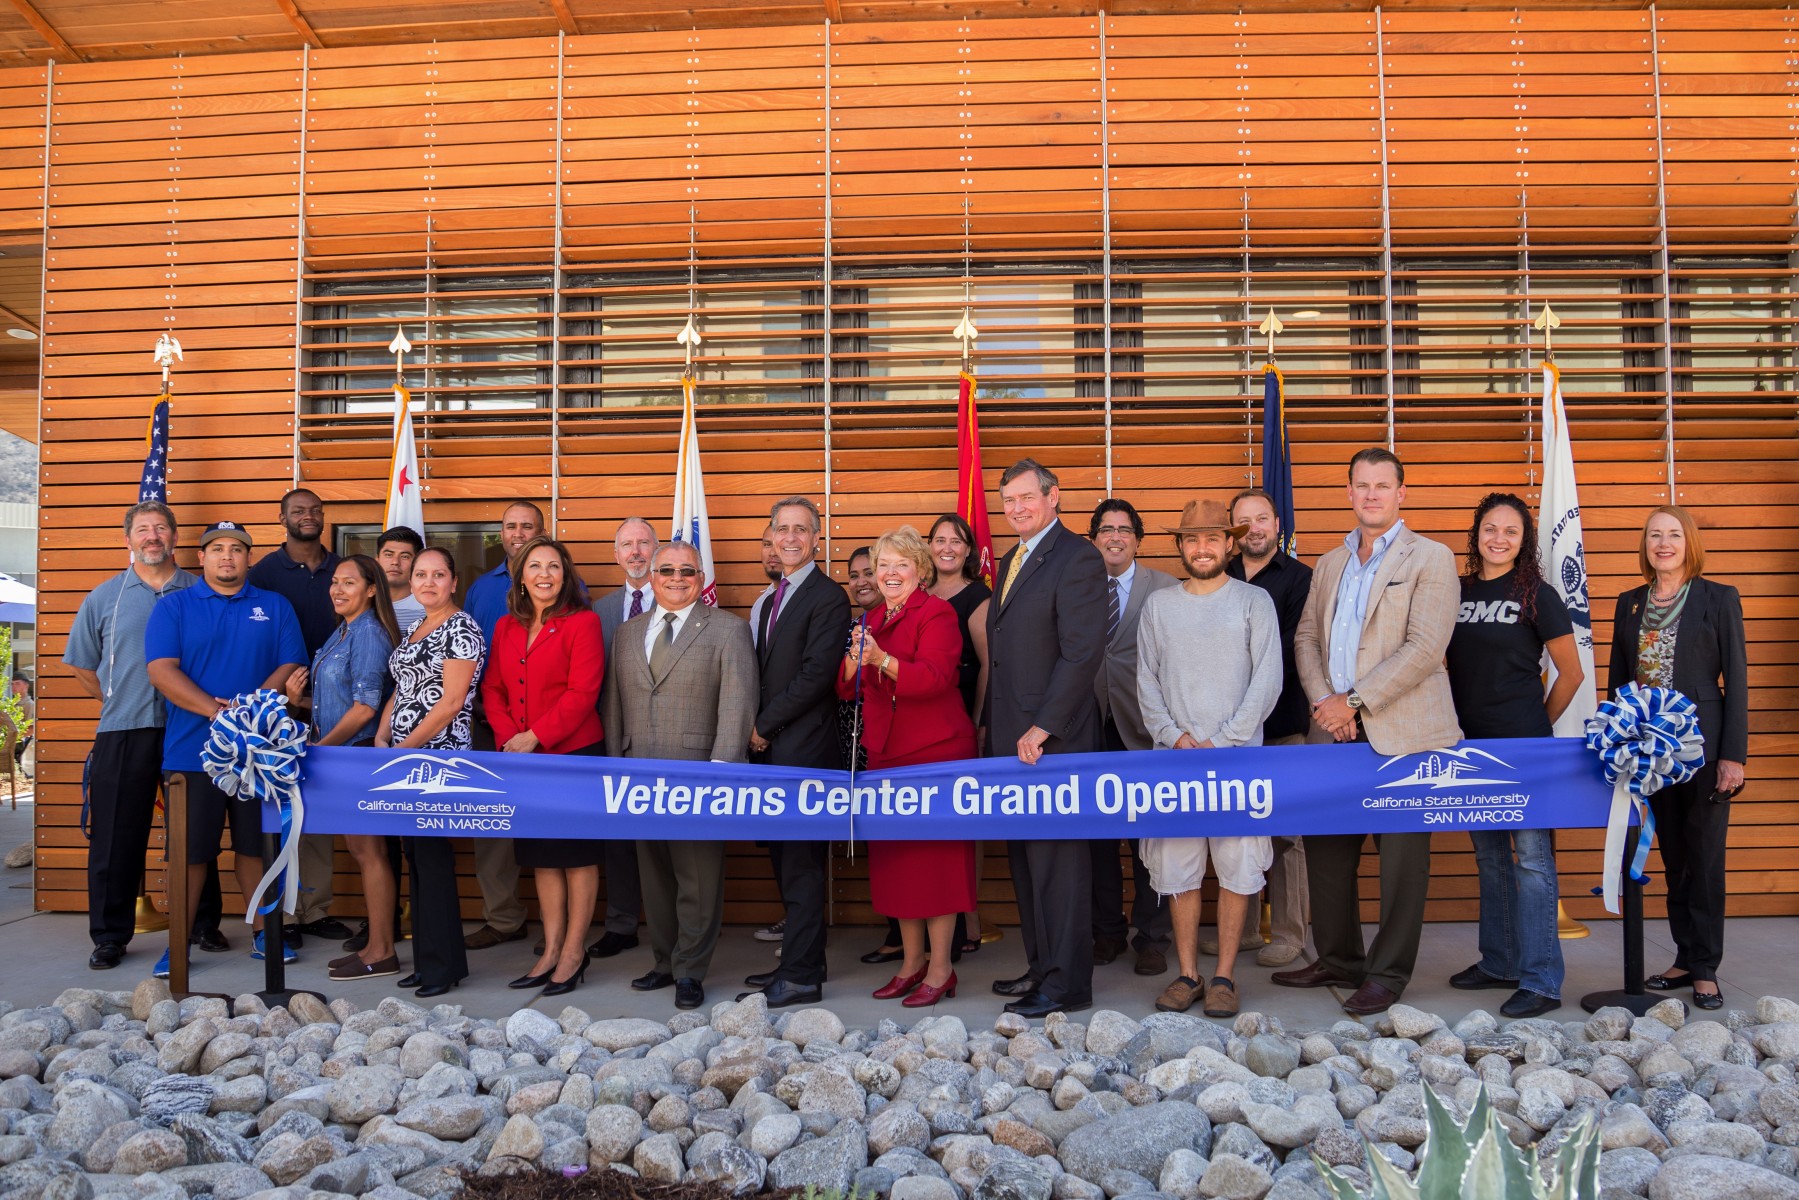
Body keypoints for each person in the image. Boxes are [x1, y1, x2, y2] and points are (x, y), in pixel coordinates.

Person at [1279, 447, 1461, 1016]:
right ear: (1350, 492)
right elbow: (1306, 637)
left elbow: (1426, 648)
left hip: (1401, 733)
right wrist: (1324, 704)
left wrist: (1353, 701)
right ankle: (1338, 958)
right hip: (1331, 731)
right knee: (1327, 853)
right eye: (1362, 485)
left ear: (1401, 493)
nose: (1372, 494)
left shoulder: (1430, 557)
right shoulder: (1332, 563)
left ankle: (1387, 974)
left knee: (1402, 860)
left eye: (1383, 485)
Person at [1136, 499, 1283, 1017]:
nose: (1203, 549)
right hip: (1175, 762)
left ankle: (1223, 975)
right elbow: (1146, 681)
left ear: (1230, 543)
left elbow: (1267, 680)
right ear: (1180, 546)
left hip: (1237, 761)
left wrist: (1224, 740)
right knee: (1179, 867)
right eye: (1192, 540)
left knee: (1238, 864)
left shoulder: (1253, 602)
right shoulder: (1159, 607)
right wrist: (1174, 736)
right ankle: (1187, 974)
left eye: (1213, 539)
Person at [144, 520, 307, 977]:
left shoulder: (274, 606)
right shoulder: (174, 607)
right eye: (217, 549)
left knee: (256, 848)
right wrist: (217, 713)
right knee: (191, 853)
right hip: (192, 753)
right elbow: (161, 670)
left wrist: (250, 708)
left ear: (248, 559)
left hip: (261, 753)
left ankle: (263, 933)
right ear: (202, 558)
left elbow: (290, 663)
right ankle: (179, 942)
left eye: (237, 549)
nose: (227, 557)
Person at [1444, 493, 1584, 1018]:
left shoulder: (1538, 594)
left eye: (1511, 531)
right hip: (1469, 746)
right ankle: (1499, 961)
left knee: (1533, 863)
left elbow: (1571, 674)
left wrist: (1535, 730)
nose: (1498, 538)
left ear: (1523, 542)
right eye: (1490, 528)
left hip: (1524, 749)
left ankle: (1542, 980)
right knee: (1488, 857)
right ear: (1476, 532)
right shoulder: (1456, 591)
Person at [604, 541, 757, 1011]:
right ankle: (664, 962)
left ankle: (690, 970)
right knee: (655, 876)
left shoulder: (728, 630)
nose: (675, 577)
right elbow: (615, 706)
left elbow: (737, 705)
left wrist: (723, 773)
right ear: (651, 577)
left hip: (699, 776)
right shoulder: (628, 633)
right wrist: (615, 766)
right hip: (639, 773)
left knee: (697, 879)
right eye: (665, 570)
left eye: (686, 571)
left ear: (700, 576)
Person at [1611, 504, 1747, 1011]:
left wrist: (1733, 755)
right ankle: (1684, 957)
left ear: (1689, 542)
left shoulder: (1717, 598)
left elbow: (1736, 680)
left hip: (1704, 747)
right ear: (1644, 546)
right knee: (1669, 856)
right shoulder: (1629, 603)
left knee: (1705, 859)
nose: (1663, 544)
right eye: (1653, 536)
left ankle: (1707, 967)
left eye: (1672, 535)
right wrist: (1619, 745)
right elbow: (1619, 683)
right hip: (1649, 751)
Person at [986, 458, 1107, 1018]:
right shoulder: (1012, 559)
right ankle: (1041, 969)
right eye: (1008, 500)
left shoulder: (1079, 556)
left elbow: (1082, 653)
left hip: (1052, 741)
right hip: (1013, 740)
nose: (1016, 509)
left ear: (1053, 496)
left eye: (1026, 498)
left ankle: (1066, 985)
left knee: (1058, 866)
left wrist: (1043, 726)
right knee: (1026, 862)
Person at [839, 526, 979, 1007]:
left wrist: (883, 659)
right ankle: (911, 963)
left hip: (935, 753)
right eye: (883, 565)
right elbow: (847, 689)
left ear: (920, 571)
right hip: (886, 754)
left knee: (934, 865)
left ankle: (941, 969)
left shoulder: (936, 613)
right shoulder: (872, 618)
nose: (890, 573)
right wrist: (856, 660)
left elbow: (936, 679)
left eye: (901, 564)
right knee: (898, 864)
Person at [64, 502, 198, 971]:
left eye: (161, 528)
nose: (153, 536)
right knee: (116, 837)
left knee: (196, 830)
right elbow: (81, 663)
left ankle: (202, 925)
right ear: (129, 540)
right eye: (143, 530)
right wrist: (115, 699)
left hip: (191, 729)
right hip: (124, 730)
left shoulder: (200, 592)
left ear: (175, 537)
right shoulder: (104, 597)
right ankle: (109, 935)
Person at [740, 496, 852, 1008]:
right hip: (770, 754)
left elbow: (814, 677)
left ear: (816, 539)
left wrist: (762, 725)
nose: (790, 538)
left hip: (804, 753)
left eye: (800, 530)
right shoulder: (767, 599)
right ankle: (799, 961)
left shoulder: (829, 597)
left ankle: (803, 975)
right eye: (781, 528)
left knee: (803, 866)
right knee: (785, 865)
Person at [483, 535, 607, 996]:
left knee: (575, 856)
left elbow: (582, 694)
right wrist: (509, 738)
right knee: (541, 857)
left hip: (571, 756)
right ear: (520, 576)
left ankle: (575, 951)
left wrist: (534, 736)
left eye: (553, 567)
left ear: (566, 574)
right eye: (534, 567)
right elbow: (493, 689)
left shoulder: (584, 623)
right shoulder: (506, 627)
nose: (544, 575)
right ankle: (550, 949)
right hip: (523, 759)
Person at [280, 556, 401, 981]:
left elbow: (366, 707)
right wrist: (300, 704)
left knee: (371, 853)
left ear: (371, 589)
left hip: (355, 756)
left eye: (349, 582)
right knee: (362, 851)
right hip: (341, 752)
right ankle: (374, 946)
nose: (337, 589)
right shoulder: (343, 631)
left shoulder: (368, 633)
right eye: (335, 582)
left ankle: (383, 950)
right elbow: (339, 704)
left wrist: (321, 751)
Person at [375, 546, 483, 998]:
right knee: (415, 857)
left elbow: (451, 703)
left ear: (453, 582)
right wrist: (382, 738)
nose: (428, 582)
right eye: (421, 575)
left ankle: (443, 968)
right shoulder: (417, 626)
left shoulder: (462, 628)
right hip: (403, 757)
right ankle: (427, 961)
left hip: (439, 761)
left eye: (438, 575)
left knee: (433, 859)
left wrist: (405, 749)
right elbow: (402, 691)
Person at [248, 488, 351, 944]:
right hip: (279, 706)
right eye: (297, 511)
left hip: (335, 708)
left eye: (314, 511)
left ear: (324, 517)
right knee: (281, 810)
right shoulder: (264, 574)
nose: (307, 517)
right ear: (282, 517)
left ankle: (315, 908)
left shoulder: (343, 569)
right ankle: (282, 916)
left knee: (320, 809)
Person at [1224, 487, 1316, 968]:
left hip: (1282, 724)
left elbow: (1290, 646)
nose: (1254, 528)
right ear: (1232, 530)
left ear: (1278, 525)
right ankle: (1238, 931)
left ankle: (1289, 934)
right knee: (1235, 830)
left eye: (1263, 518)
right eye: (1244, 521)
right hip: (1225, 729)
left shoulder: (1302, 579)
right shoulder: (1217, 576)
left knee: (1286, 835)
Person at [1087, 497, 1178, 975]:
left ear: (1138, 540)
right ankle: (1107, 933)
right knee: (1097, 841)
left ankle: (1152, 937)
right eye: (1106, 529)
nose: (1115, 536)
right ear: (1094, 538)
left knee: (1150, 842)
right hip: (1087, 729)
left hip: (1147, 731)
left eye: (1124, 529)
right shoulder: (1078, 586)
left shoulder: (1165, 588)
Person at [457, 499, 546, 951]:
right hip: (491, 723)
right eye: (510, 526)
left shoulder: (564, 581)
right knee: (491, 824)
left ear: (540, 531)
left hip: (548, 730)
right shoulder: (480, 588)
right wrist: (502, 723)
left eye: (526, 526)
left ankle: (560, 926)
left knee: (551, 824)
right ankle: (505, 917)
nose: (517, 533)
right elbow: (469, 657)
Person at [587, 516, 657, 960]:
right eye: (626, 545)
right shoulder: (601, 610)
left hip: (665, 737)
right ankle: (621, 923)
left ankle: (671, 922)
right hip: (615, 736)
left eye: (643, 543)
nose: (635, 552)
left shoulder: (679, 600)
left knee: (666, 836)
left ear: (657, 549)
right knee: (618, 836)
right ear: (616, 555)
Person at [926, 513, 995, 957]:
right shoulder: (915, 592)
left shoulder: (978, 596)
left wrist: (979, 720)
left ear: (970, 551)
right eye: (939, 540)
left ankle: (969, 918)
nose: (948, 547)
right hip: (919, 722)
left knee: (963, 825)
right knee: (927, 827)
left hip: (960, 719)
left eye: (957, 541)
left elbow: (989, 664)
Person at [377, 526, 426, 632]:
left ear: (417, 563)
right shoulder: (362, 603)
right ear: (377, 560)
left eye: (405, 556)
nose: (395, 562)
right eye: (388, 555)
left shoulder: (428, 610)